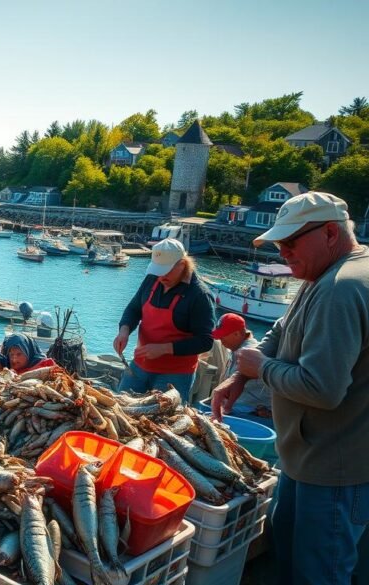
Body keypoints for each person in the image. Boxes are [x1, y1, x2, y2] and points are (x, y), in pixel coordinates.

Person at [217, 192, 369, 584]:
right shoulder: (322, 273)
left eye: (291, 242)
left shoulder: (341, 288)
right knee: (287, 550)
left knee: (319, 572)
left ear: (330, 233)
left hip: (333, 470)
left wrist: (262, 369)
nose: (283, 252)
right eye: (279, 243)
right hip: (304, 460)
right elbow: (283, 331)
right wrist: (240, 375)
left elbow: (323, 389)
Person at [113, 238, 214, 401]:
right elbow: (134, 309)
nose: (161, 277)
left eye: (165, 271)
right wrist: (124, 332)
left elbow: (205, 341)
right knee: (122, 408)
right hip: (139, 367)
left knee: (163, 422)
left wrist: (164, 349)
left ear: (182, 264)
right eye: (158, 271)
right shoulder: (152, 279)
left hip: (175, 376)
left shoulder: (200, 296)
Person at [207, 313, 271, 421]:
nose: (220, 341)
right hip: (240, 408)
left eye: (222, 336)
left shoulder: (249, 354)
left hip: (251, 413)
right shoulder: (234, 350)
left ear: (237, 334)